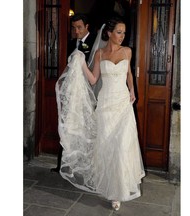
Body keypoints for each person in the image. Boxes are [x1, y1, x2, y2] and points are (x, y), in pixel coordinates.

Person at [55, 17, 145, 211]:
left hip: (122, 104)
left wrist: (132, 90)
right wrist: (80, 63)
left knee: (121, 147)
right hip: (105, 106)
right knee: (106, 147)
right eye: (119, 32)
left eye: (124, 32)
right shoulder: (99, 53)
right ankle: (109, 187)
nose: (122, 36)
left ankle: (118, 192)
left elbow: (128, 73)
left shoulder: (127, 51)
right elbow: (94, 79)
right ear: (109, 33)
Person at [51, 13, 97, 173]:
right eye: (74, 28)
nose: (76, 31)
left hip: (87, 91)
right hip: (72, 92)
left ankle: (85, 164)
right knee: (68, 124)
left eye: (79, 27)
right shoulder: (72, 43)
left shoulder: (95, 42)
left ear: (87, 27)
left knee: (85, 126)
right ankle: (64, 164)